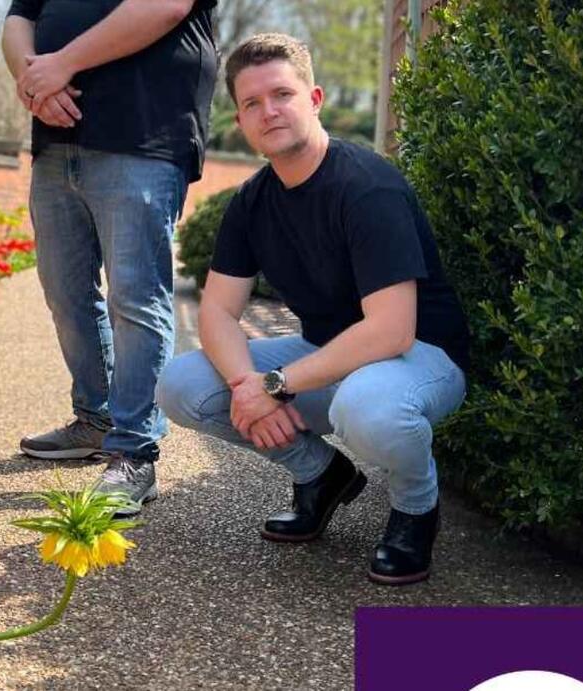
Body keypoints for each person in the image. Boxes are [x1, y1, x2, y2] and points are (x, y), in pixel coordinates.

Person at [155, 34, 470, 584]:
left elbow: (392, 331)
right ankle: (322, 475)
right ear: (240, 119)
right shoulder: (251, 202)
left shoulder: (367, 188)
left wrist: (274, 386)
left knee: (367, 408)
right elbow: (218, 314)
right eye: (252, 103)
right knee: (183, 385)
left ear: (314, 98)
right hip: (328, 353)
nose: (269, 111)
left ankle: (416, 509)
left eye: (282, 94)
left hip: (421, 357)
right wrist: (246, 386)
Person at [2, 0, 218, 515]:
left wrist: (62, 64)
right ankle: (97, 418)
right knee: (64, 290)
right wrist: (34, 82)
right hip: (57, 141)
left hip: (144, 136)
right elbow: (19, 17)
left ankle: (134, 451)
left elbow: (166, 7)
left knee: (135, 298)